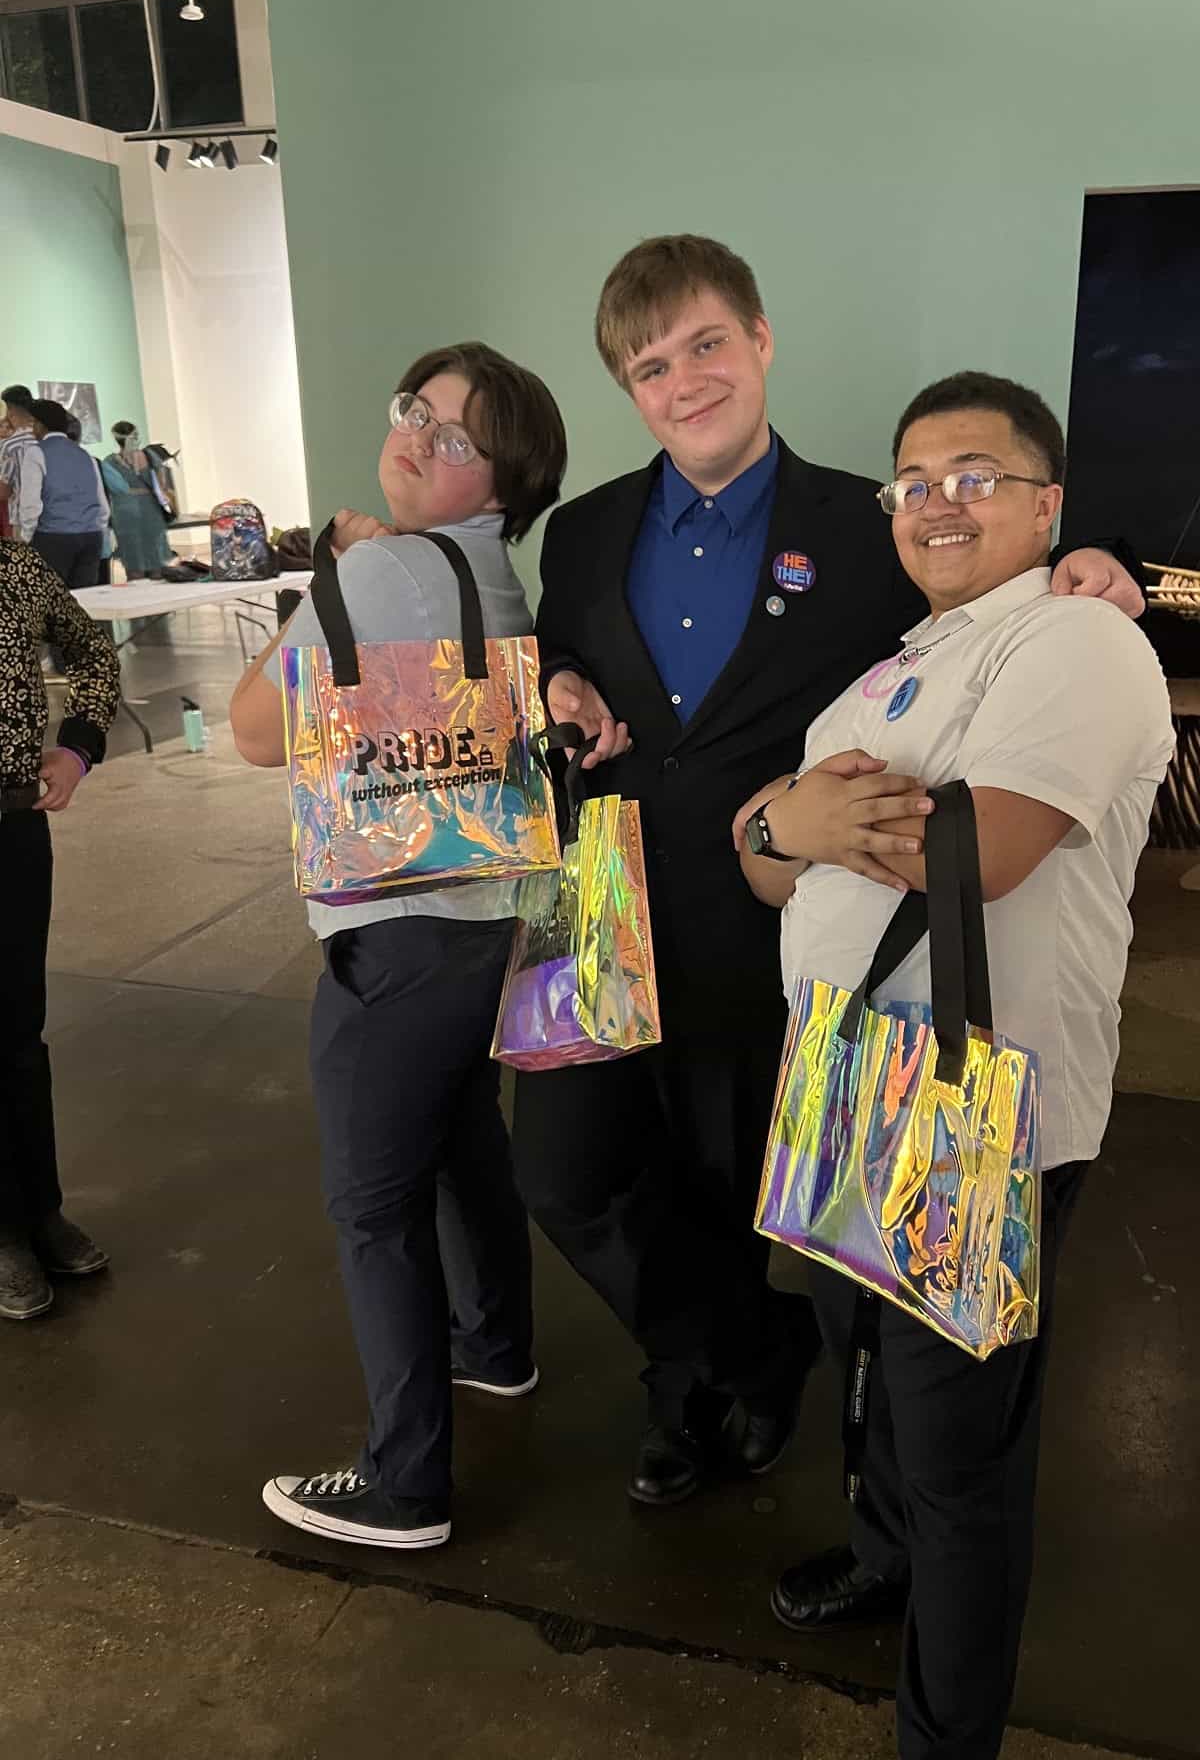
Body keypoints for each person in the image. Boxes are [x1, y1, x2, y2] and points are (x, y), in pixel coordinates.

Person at [512, 233, 1147, 1511]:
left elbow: (976, 610)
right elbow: (552, 665)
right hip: (595, 900)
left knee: (737, 1167)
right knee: (567, 1169)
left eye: (705, 344)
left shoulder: (873, 522)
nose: (683, 380)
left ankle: (700, 1398)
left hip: (777, 911)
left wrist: (1088, 570)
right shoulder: (579, 535)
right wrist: (555, 680)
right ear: (627, 391)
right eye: (650, 365)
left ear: (758, 341)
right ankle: (744, 1350)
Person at [739, 371, 1173, 1760]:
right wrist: (795, 819)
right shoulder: (887, 667)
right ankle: (882, 1558)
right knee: (858, 1350)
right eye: (912, 481)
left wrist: (805, 818)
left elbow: (977, 850)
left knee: (957, 1441)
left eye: (976, 474)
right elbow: (756, 860)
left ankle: (947, 1732)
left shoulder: (1074, 643)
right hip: (844, 1080)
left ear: (1048, 506)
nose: (938, 501)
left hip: (975, 1105)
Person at [230, 343, 568, 1552]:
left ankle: (405, 1481)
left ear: (502, 480)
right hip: (486, 923)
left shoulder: (379, 573)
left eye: (458, 436)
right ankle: (498, 1347)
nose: (420, 438)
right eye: (418, 411)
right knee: (460, 1136)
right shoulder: (498, 582)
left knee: (371, 1205)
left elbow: (255, 732)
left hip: (395, 927)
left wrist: (332, 566)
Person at [0, 537, 120, 1320]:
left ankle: (39, 1208)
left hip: (11, 830)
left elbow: (93, 651)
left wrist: (78, 749)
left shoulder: (16, 568)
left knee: (19, 1032)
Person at [25, 398, 109, 592]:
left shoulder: (35, 453)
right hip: (91, 536)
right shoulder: (85, 455)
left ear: (39, 424)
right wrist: (97, 529)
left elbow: (31, 505)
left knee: (53, 601)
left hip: (54, 537)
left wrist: (27, 538)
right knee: (85, 600)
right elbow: (101, 502)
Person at [100, 423, 172, 580]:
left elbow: (117, 489)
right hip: (151, 513)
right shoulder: (152, 457)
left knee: (134, 569)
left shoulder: (109, 463)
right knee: (157, 567)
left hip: (126, 517)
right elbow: (163, 486)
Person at [0, 385, 42, 544]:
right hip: (51, 518)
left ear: (9, 410)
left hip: (23, 519)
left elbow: (4, 491)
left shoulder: (10, 445)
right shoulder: (45, 437)